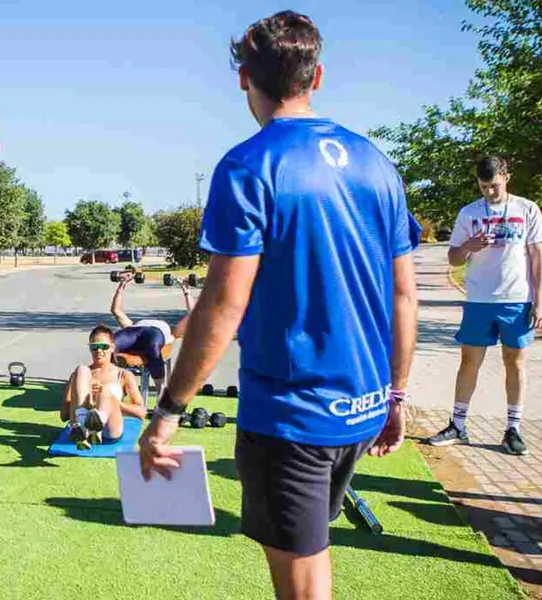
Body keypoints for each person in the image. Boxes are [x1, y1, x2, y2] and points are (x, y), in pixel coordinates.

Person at [137, 12, 417, 600]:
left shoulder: (249, 165)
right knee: (311, 563)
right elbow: (403, 294)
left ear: (244, 79)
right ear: (317, 76)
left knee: (302, 586)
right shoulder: (376, 163)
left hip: (293, 419)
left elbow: (223, 305)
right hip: (361, 411)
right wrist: (395, 394)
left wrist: (169, 411)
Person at [426, 156, 542, 456]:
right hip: (479, 300)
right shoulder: (468, 213)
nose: (490, 193)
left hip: (517, 299)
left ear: (506, 177)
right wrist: (468, 247)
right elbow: (453, 258)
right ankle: (457, 425)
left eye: (494, 186)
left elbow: (538, 259)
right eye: (484, 187)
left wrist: (540, 301)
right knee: (469, 362)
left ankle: (513, 429)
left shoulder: (527, 209)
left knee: (515, 362)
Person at [60, 325, 146, 449]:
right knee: (81, 369)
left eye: (104, 347)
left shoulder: (123, 375)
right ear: (90, 349)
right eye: (94, 347)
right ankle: (83, 426)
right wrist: (85, 398)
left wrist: (113, 401)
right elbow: (64, 416)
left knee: (104, 391)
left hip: (110, 428)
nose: (99, 351)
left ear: (112, 347)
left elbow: (141, 413)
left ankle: (98, 424)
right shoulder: (79, 376)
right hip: (82, 423)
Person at [109, 273, 193, 392]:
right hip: (134, 332)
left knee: (152, 347)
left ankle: (161, 395)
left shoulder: (171, 333)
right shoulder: (132, 325)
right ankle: (104, 387)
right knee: (108, 345)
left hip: (154, 335)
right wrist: (121, 286)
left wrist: (186, 291)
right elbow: (116, 311)